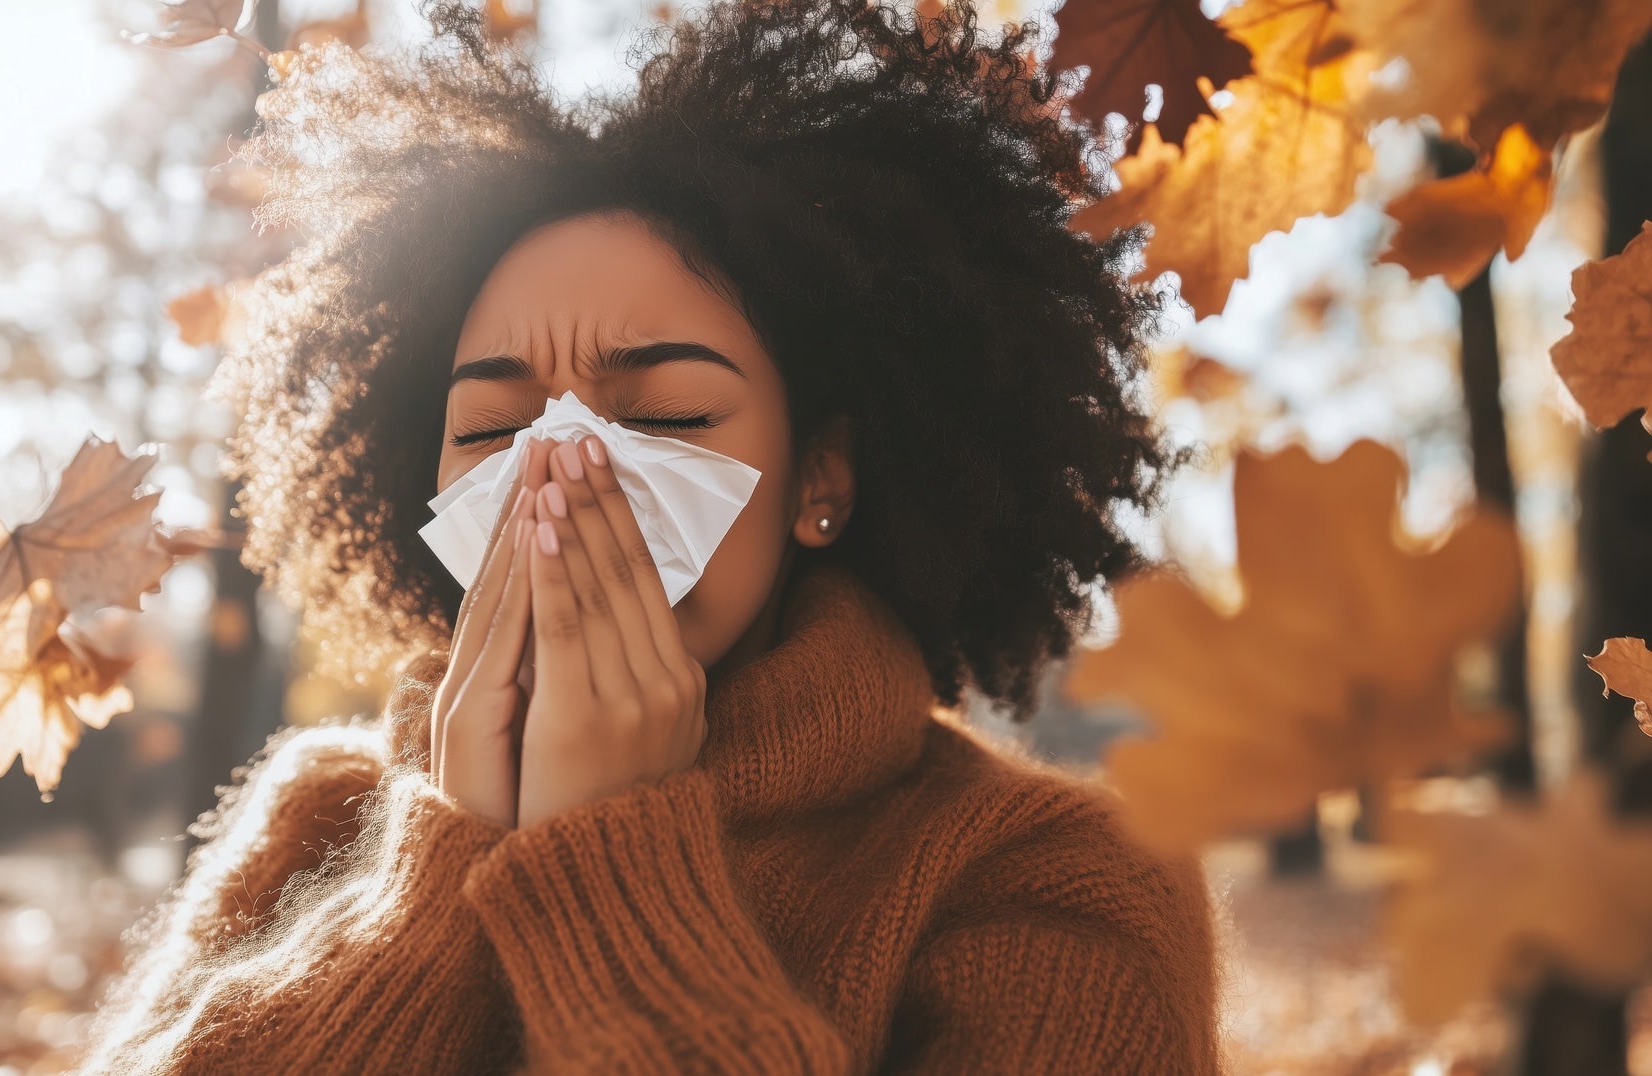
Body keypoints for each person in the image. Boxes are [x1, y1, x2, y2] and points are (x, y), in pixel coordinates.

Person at [78, 0, 1220, 1069]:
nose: (562, 481)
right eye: (491, 426)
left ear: (820, 474)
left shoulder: (1050, 874)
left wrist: (611, 867)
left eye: (666, 416)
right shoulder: (321, 819)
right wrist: (439, 872)